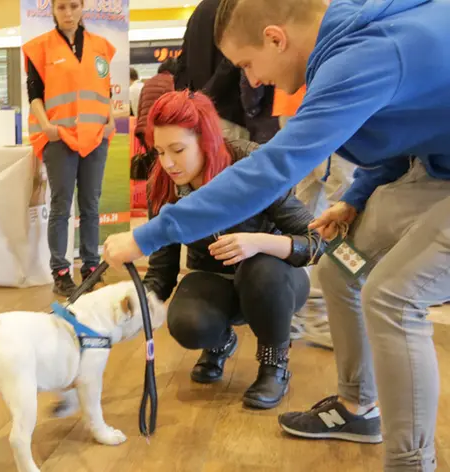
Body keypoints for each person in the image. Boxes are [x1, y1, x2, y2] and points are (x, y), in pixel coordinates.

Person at [104, 0, 450, 469]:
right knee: (343, 268)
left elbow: (271, 170)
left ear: (275, 38)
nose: (250, 80)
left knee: (392, 297)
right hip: (430, 168)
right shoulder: (347, 52)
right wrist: (356, 197)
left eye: (246, 64)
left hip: (426, 184)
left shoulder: (365, 55)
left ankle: (411, 463)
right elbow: (398, 134)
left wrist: (147, 236)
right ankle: (358, 407)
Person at [141, 91, 321, 409]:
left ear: (206, 140)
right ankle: (220, 343)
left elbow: (319, 243)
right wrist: (129, 303)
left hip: (275, 281)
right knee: (187, 323)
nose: (167, 163)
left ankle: (274, 365)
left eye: (178, 150)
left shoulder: (251, 166)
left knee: (260, 268)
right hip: (214, 278)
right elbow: (162, 268)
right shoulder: (163, 185)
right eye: (159, 152)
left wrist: (258, 243)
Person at [23, 0, 116, 296]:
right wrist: (47, 125)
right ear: (52, 10)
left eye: (73, 6)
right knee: (62, 206)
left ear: (82, 7)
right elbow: (34, 93)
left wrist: (111, 121)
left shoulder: (100, 46)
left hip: (95, 137)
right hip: (58, 137)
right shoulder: (41, 47)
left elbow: (104, 89)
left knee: (90, 205)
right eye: (61, 7)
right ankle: (61, 272)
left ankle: (91, 267)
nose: (68, 13)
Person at [274, 86, 356, 349]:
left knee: (304, 216)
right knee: (343, 217)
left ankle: (297, 312)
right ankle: (320, 316)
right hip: (333, 103)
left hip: (296, 105)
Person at [173, 0, 247, 141]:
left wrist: (190, 101)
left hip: (199, 115)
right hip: (228, 111)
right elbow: (232, 59)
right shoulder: (233, 8)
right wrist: (206, 95)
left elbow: (181, 63)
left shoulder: (199, 11)